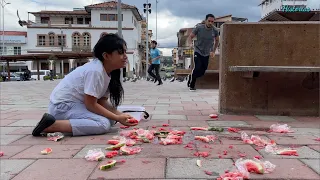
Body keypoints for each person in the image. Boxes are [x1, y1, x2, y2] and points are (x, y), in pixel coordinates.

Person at [32, 34, 138, 137]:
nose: (125, 56)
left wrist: (119, 116)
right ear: (106, 56)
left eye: (125, 52)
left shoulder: (107, 72)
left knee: (110, 120)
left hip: (75, 105)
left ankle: (67, 123)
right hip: (62, 107)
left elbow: (102, 101)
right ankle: (50, 126)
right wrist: (117, 117)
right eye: (120, 52)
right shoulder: (95, 71)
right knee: (103, 124)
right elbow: (91, 104)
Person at [187, 14, 219, 91]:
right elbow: (190, 37)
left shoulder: (214, 30)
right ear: (205, 21)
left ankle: (191, 76)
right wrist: (190, 44)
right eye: (209, 21)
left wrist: (213, 51)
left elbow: (217, 40)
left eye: (212, 21)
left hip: (207, 53)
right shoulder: (199, 27)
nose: (210, 23)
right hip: (198, 51)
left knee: (202, 71)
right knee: (197, 67)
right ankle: (192, 84)